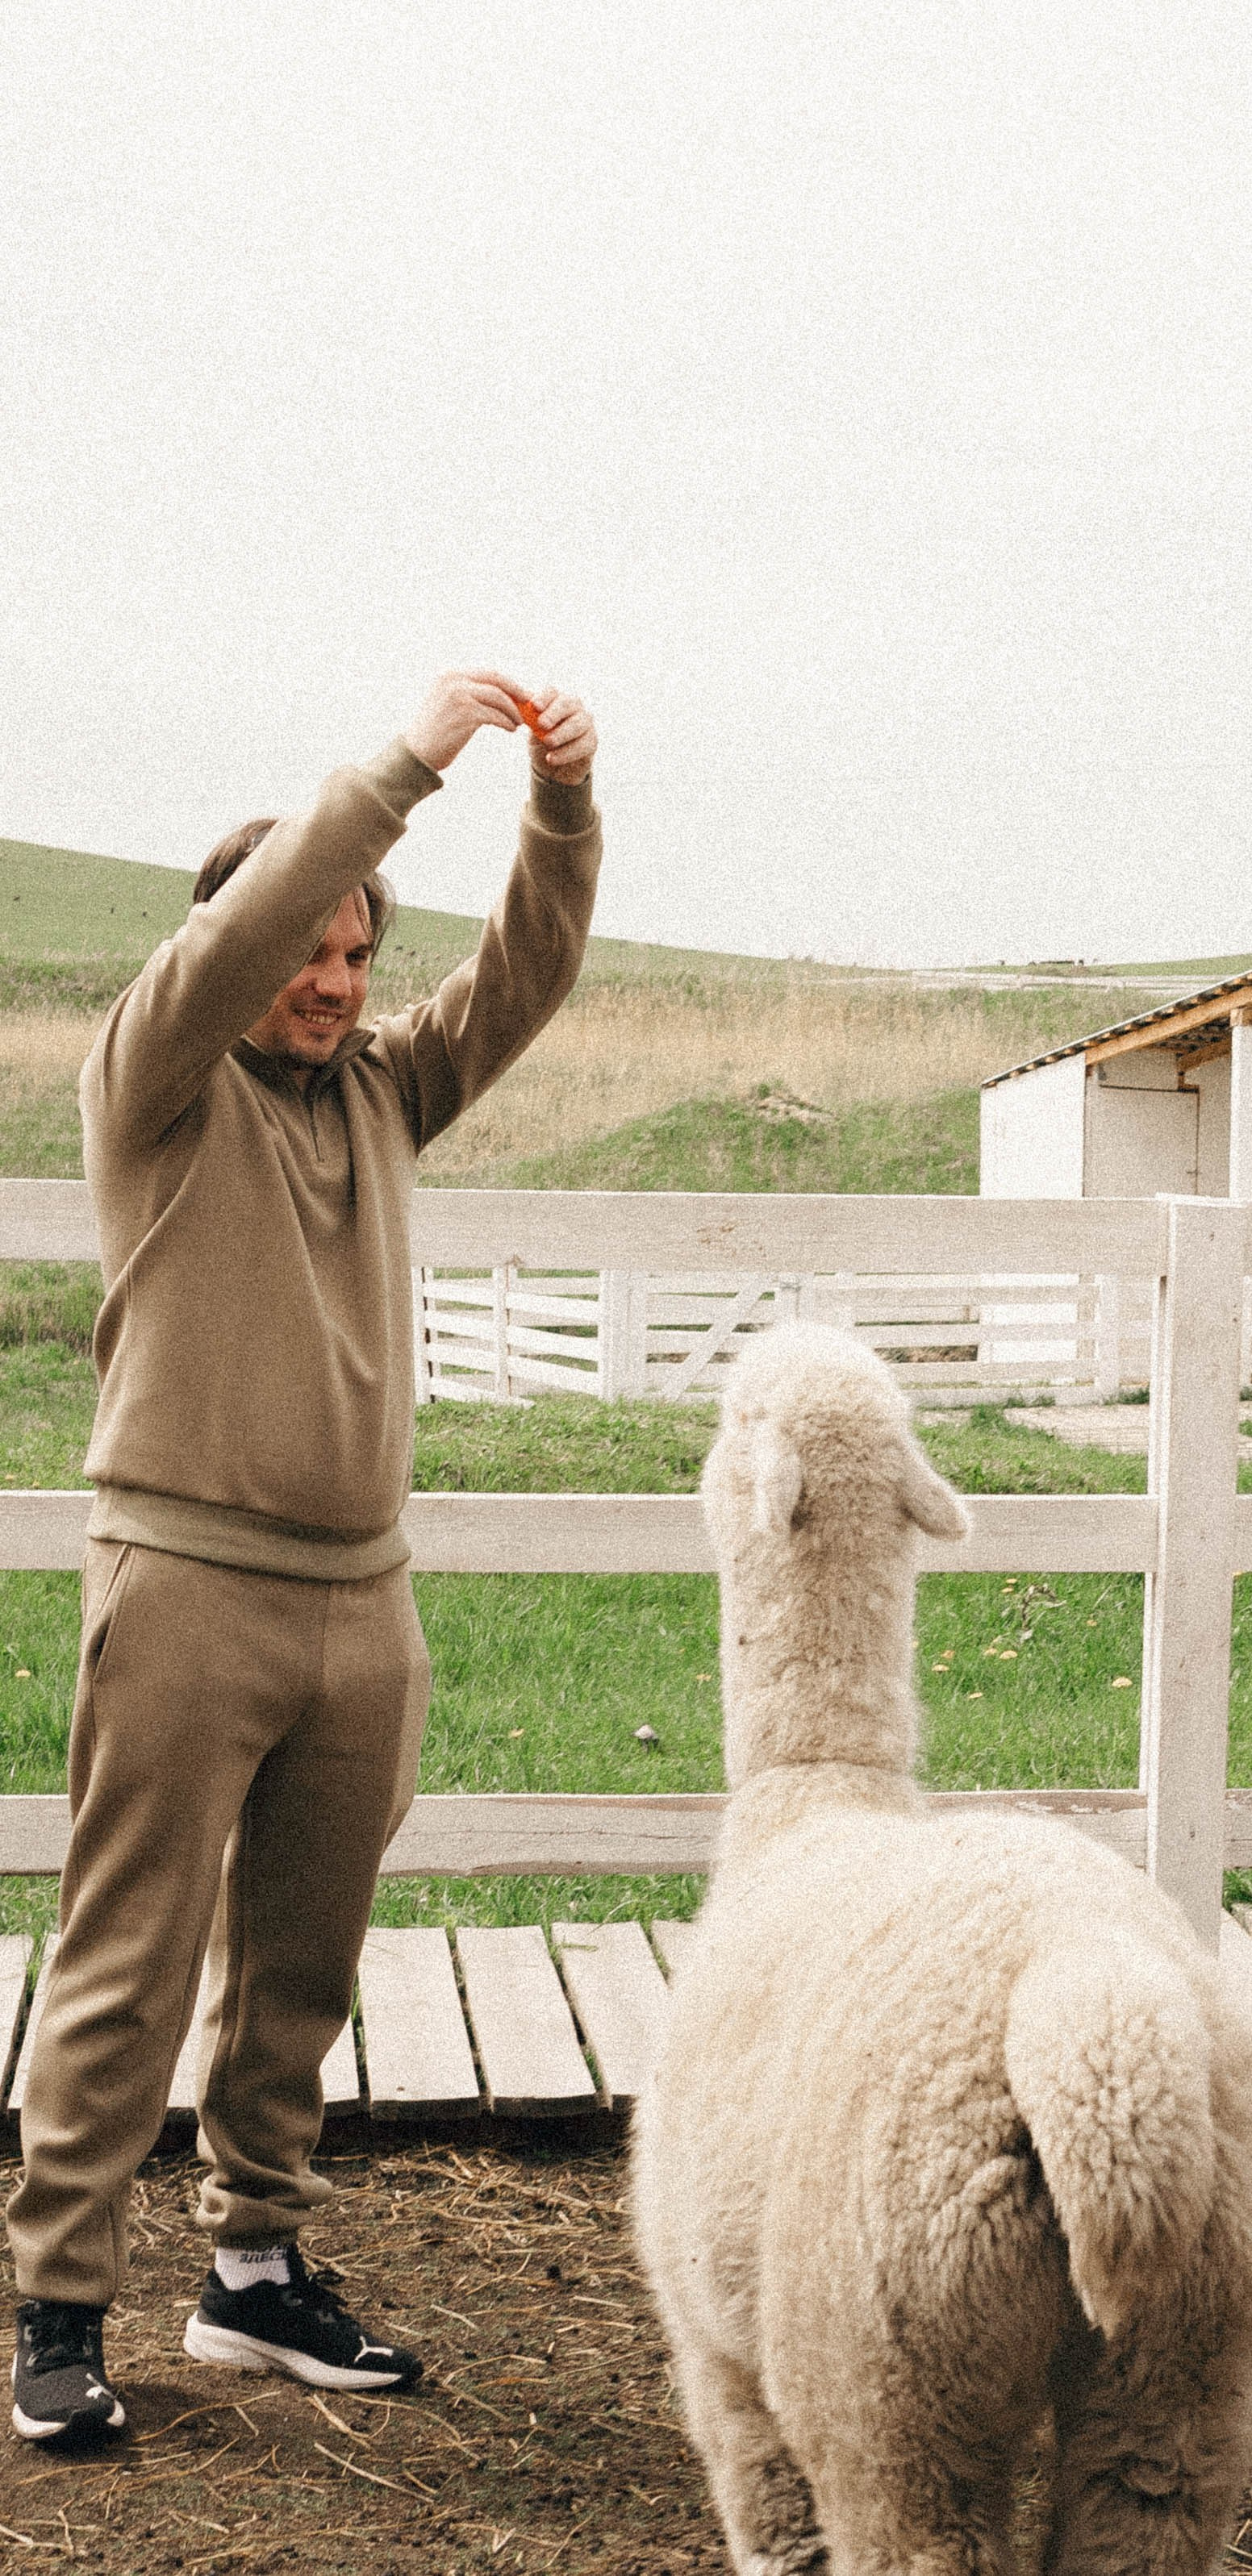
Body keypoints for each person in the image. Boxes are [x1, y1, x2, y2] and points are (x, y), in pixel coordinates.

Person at [8, 671, 600, 2445]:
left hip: (364, 1601)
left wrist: (560, 806)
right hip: (184, 1585)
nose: (333, 977)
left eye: (357, 951)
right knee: (128, 1954)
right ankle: (56, 2307)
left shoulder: (384, 1094)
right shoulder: (160, 1079)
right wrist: (409, 765)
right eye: (306, 945)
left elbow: (528, 972)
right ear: (230, 946)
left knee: (303, 1970)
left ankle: (253, 2275)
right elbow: (260, 910)